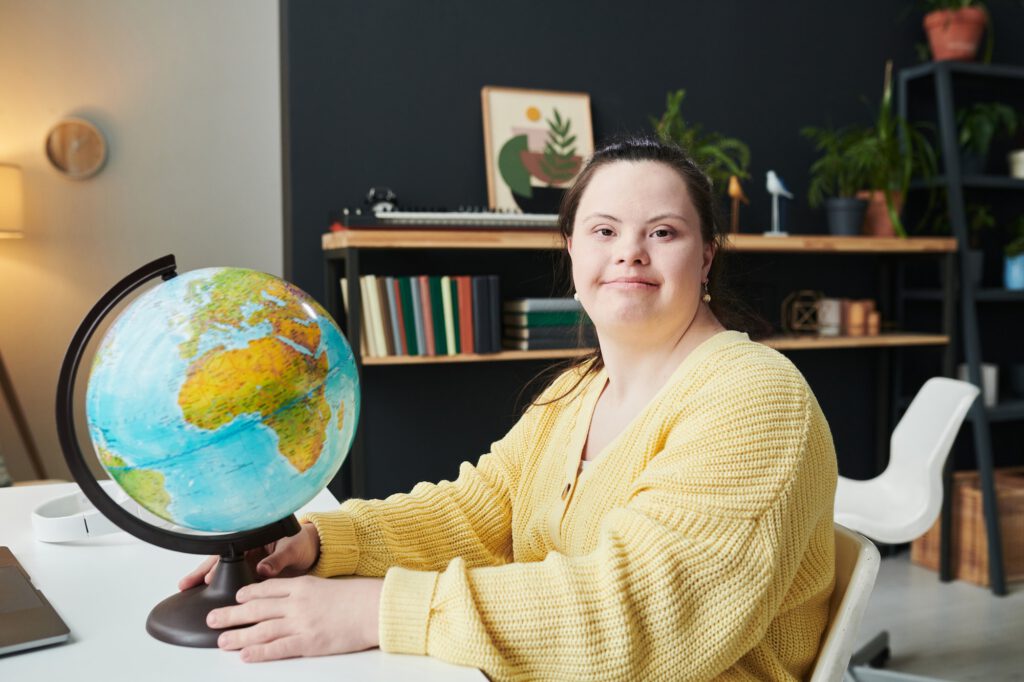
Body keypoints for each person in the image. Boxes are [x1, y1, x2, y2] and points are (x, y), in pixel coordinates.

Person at [181, 135, 838, 680]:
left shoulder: (754, 399)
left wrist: (378, 610)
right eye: (603, 230)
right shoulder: (576, 390)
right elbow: (474, 515)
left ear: (706, 258)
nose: (629, 252)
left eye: (663, 231)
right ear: (573, 252)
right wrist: (321, 543)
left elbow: (640, 619)